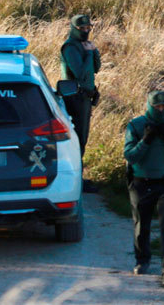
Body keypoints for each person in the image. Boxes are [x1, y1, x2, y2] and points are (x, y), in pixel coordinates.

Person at [123, 90, 164, 287]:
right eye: (157, 106)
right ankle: (142, 260)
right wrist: (145, 140)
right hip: (141, 182)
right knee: (141, 225)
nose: (161, 110)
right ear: (149, 106)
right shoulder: (136, 125)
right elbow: (130, 155)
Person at [60, 14, 101, 193]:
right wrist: (89, 53)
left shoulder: (83, 45)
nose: (85, 31)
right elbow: (80, 73)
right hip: (75, 97)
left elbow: (96, 68)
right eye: (82, 29)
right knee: (77, 138)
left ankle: (79, 177)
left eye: (88, 28)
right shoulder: (70, 47)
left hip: (85, 97)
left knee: (83, 138)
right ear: (74, 29)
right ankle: (76, 178)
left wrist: (94, 51)